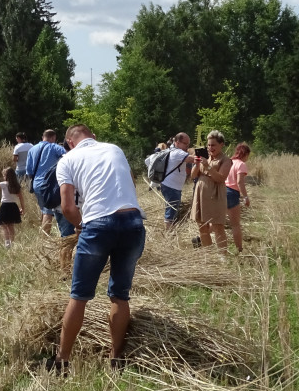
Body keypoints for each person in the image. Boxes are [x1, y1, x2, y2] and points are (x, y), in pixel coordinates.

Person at [49, 124, 146, 374]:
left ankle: (62, 360)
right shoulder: (114, 148)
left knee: (79, 295)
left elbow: (68, 208)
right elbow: (130, 188)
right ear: (93, 137)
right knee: (120, 294)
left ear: (70, 142)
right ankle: (116, 358)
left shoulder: (67, 160)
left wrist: (81, 225)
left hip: (98, 226)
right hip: (133, 223)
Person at [24, 129, 74, 236]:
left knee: (44, 209)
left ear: (43, 137)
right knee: (48, 212)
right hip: (48, 185)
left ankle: (43, 232)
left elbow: (29, 171)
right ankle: (45, 236)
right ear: (53, 138)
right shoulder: (54, 147)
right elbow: (69, 155)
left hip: (36, 183)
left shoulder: (32, 149)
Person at [191, 130, 232, 253]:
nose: (210, 148)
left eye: (213, 145)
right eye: (208, 145)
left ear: (221, 145)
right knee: (202, 226)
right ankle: (208, 255)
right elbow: (193, 176)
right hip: (201, 194)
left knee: (217, 226)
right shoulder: (205, 158)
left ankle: (222, 256)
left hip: (215, 195)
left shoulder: (226, 160)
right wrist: (197, 165)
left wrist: (208, 167)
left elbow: (221, 178)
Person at [148, 132, 195, 230]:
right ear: (178, 142)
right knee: (171, 210)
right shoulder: (178, 152)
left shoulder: (172, 150)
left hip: (170, 186)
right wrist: (204, 156)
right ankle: (169, 233)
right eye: (186, 144)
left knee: (172, 209)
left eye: (188, 144)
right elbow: (192, 159)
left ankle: (170, 229)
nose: (187, 146)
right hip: (171, 187)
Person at [226, 142, 252, 253]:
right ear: (245, 154)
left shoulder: (229, 162)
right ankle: (240, 249)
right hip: (232, 193)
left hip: (222, 191)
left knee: (218, 222)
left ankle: (200, 238)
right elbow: (239, 182)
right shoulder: (241, 164)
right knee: (235, 224)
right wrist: (245, 197)